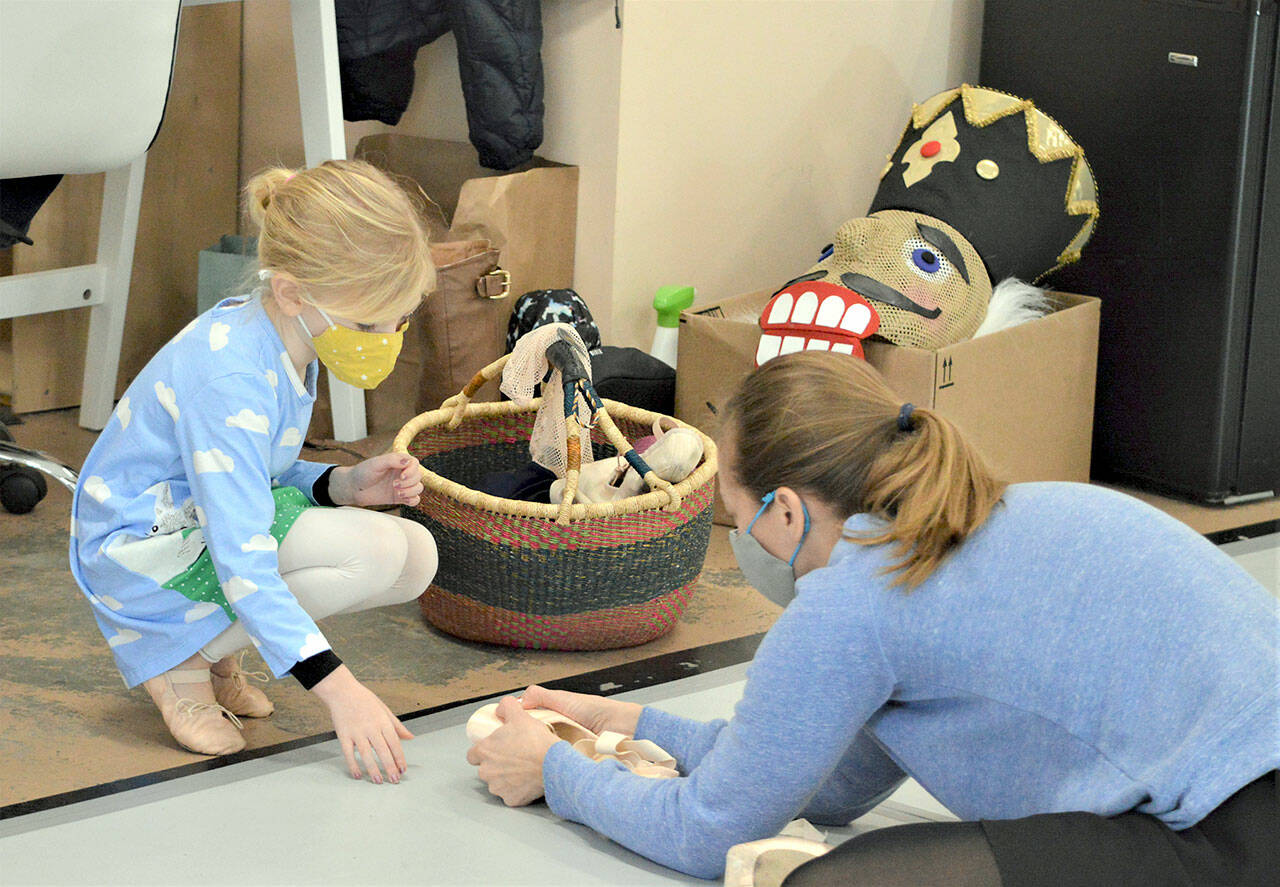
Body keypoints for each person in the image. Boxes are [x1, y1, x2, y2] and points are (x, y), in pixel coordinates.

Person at [466, 351, 1279, 885]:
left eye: (737, 513)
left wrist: (556, 774)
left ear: (784, 511)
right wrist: (628, 722)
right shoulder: (982, 515)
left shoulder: (855, 599)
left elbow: (707, 830)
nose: (739, 537)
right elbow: (830, 779)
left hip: (1236, 841)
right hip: (1246, 799)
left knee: (828, 882)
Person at [70, 160, 438, 784]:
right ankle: (175, 659)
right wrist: (339, 690)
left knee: (415, 557)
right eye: (369, 324)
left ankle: (214, 653)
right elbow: (241, 550)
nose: (385, 339)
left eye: (397, 321)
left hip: (195, 520)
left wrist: (339, 484)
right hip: (140, 550)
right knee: (374, 551)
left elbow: (251, 473)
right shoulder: (233, 375)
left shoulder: (289, 335)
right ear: (296, 292)